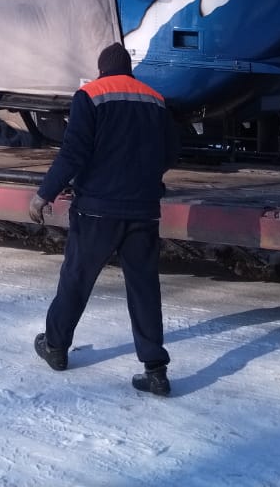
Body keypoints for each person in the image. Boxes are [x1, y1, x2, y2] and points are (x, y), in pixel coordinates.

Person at [29, 42, 181, 396]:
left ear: (101, 70)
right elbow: (171, 151)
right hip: (143, 210)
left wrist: (44, 193)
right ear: (129, 70)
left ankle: (55, 347)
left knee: (77, 279)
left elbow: (74, 152)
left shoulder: (91, 95)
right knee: (144, 288)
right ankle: (155, 369)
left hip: (97, 209)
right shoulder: (155, 100)